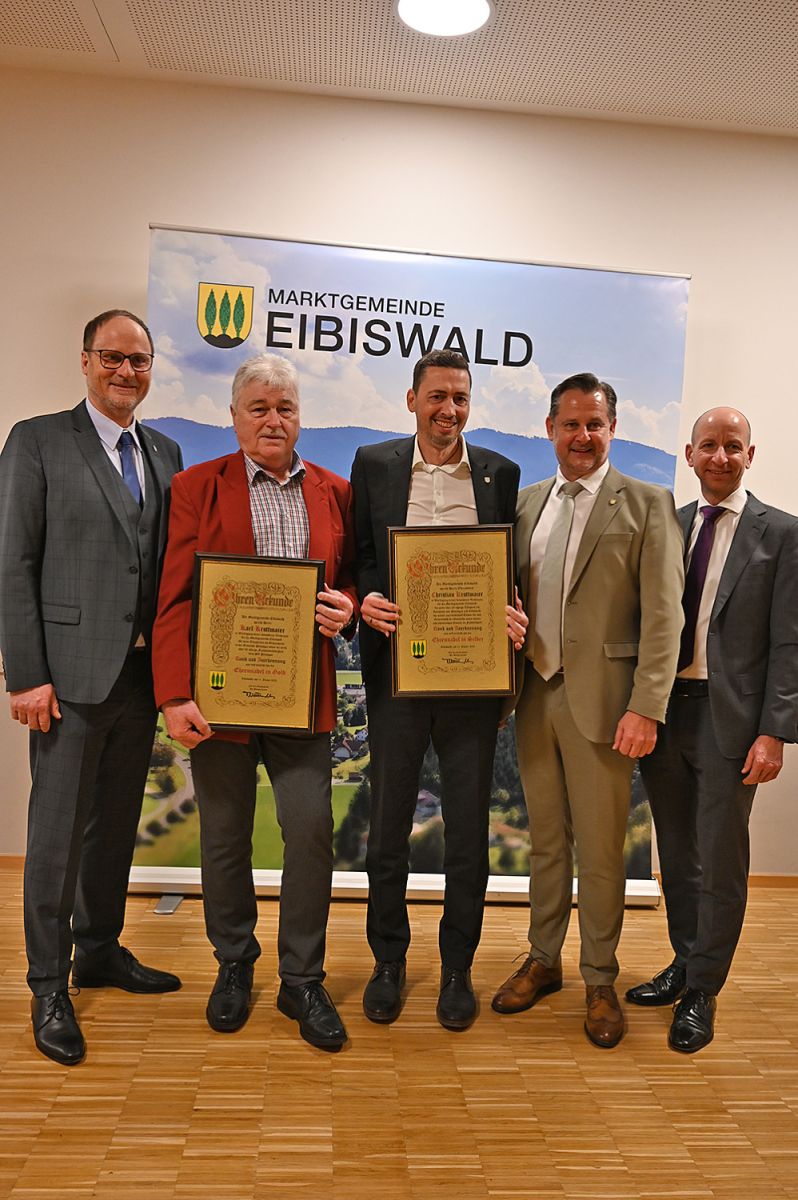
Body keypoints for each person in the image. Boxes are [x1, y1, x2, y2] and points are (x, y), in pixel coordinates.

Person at [152, 353, 358, 1051]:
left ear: (301, 418)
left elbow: (351, 577)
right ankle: (235, 963)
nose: (274, 420)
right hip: (221, 701)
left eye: (286, 408)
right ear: (235, 417)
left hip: (303, 698)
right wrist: (173, 694)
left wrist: (345, 605)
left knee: (310, 832)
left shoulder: (334, 490)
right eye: (259, 408)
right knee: (223, 836)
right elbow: (175, 599)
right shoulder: (196, 487)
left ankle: (302, 978)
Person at [0, 309, 184, 1066]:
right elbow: (13, 560)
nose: (126, 371)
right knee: (55, 837)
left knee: (113, 826)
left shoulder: (165, 450)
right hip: (68, 678)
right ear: (85, 361)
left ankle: (99, 951)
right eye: (112, 357)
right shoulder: (38, 440)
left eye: (138, 360)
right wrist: (26, 674)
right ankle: (48, 984)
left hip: (139, 678)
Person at [491, 372, 684, 1047]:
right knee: (547, 841)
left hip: (606, 704)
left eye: (594, 424)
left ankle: (599, 977)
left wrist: (647, 707)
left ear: (612, 429)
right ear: (549, 428)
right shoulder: (525, 505)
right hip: (533, 694)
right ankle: (543, 959)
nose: (582, 436)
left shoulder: (648, 504)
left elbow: (665, 617)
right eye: (570, 424)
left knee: (601, 851)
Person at [351, 348, 526, 1031]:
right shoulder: (374, 464)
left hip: (471, 681)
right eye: (437, 397)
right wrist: (368, 596)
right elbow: (364, 555)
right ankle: (388, 961)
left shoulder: (499, 473)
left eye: (460, 398)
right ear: (412, 400)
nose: (448, 410)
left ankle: (457, 967)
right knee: (388, 828)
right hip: (397, 672)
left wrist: (512, 613)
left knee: (467, 836)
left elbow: (508, 569)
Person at [627, 407, 798, 1052]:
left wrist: (775, 731)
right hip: (666, 711)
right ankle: (685, 959)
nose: (720, 456)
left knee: (721, 859)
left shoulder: (782, 533)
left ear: (750, 455)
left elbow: (790, 642)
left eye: (732, 446)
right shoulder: (668, 526)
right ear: (690, 454)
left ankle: (704, 990)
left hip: (733, 721)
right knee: (677, 852)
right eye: (709, 445)